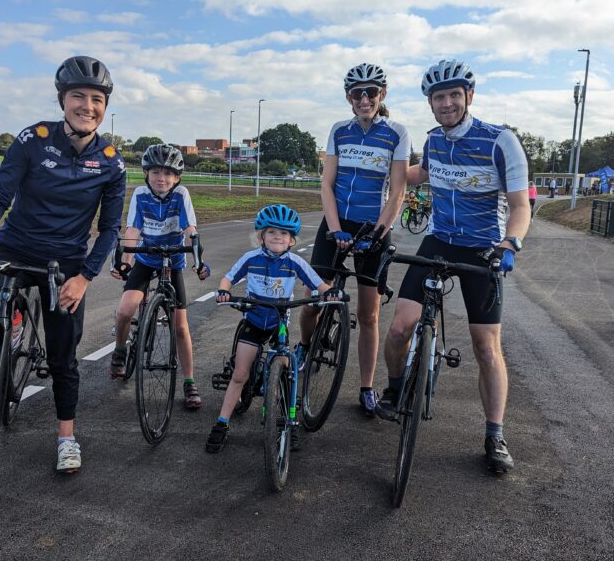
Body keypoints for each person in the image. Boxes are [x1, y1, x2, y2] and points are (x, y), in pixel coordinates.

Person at [0, 55, 126, 474]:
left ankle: (66, 436)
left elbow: (110, 229)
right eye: (78, 96)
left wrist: (84, 278)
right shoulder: (34, 139)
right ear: (63, 100)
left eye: (96, 98)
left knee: (63, 358)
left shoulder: (113, 162)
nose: (87, 105)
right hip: (12, 248)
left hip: (64, 263)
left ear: (105, 105)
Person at [375, 59, 530, 474]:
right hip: (439, 241)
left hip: (483, 248)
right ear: (430, 102)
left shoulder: (501, 142)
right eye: (438, 97)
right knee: (399, 328)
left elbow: (519, 206)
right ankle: (393, 391)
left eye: (453, 95)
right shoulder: (434, 140)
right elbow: (419, 174)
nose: (446, 103)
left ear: (469, 96)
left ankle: (495, 434)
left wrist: (509, 243)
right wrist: (378, 167)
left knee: (486, 347)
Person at [298, 62, 410, 416]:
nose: (365, 99)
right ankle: (305, 348)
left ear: (382, 95)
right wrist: (334, 229)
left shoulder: (396, 133)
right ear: (349, 97)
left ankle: (366, 386)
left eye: (371, 92)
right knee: (313, 298)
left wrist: (376, 235)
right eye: (357, 93)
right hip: (338, 222)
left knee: (368, 314)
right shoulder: (339, 130)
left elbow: (397, 193)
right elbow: (327, 184)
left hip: (373, 226)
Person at [205, 205, 341, 453]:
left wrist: (330, 293)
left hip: (279, 323)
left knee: (287, 372)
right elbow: (228, 278)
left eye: (284, 233)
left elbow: (319, 284)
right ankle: (222, 423)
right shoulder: (250, 258)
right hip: (254, 321)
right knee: (240, 374)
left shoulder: (295, 262)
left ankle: (289, 421)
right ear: (261, 237)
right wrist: (224, 290)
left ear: (292, 240)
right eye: (272, 232)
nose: (277, 236)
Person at [109, 144, 210, 409]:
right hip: (145, 257)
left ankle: (189, 382)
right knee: (124, 311)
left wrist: (197, 259)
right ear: (146, 174)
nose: (161, 178)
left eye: (167, 173)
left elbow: (190, 228)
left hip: (173, 260)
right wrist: (126, 263)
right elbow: (132, 230)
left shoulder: (182, 194)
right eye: (155, 171)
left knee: (180, 326)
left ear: (177, 178)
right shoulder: (141, 194)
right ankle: (120, 351)